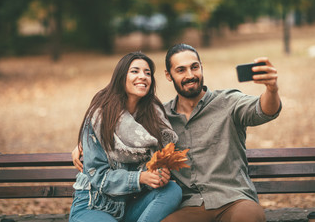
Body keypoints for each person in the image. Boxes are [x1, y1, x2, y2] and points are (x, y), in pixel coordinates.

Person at [73, 44, 282, 222]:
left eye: (194, 67)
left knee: (249, 217)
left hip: (232, 198)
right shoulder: (158, 118)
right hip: (189, 204)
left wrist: (271, 90)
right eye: (181, 70)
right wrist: (82, 145)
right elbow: (115, 128)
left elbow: (263, 111)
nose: (190, 75)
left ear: (201, 68)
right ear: (168, 75)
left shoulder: (228, 102)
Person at [69, 51, 182, 222]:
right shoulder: (100, 115)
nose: (142, 76)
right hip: (93, 205)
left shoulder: (154, 116)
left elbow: (158, 161)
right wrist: (140, 178)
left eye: (148, 73)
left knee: (172, 190)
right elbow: (98, 175)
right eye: (135, 71)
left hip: (128, 208)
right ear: (121, 77)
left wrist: (159, 175)